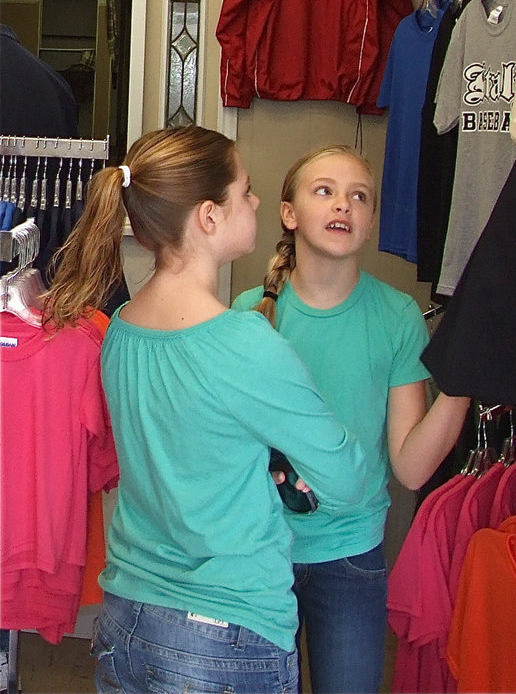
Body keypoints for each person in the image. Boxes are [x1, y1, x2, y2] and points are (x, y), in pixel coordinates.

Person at [42, 127, 368, 694]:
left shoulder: (120, 330)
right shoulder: (243, 342)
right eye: (245, 191)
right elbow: (349, 479)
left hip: (128, 620)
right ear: (209, 217)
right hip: (223, 636)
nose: (258, 202)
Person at [232, 144, 471, 693]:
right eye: (325, 190)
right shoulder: (247, 313)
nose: (344, 204)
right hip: (259, 555)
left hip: (351, 558)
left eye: (358, 196)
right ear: (289, 214)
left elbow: (411, 468)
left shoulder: (396, 317)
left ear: (368, 226)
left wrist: (462, 386)